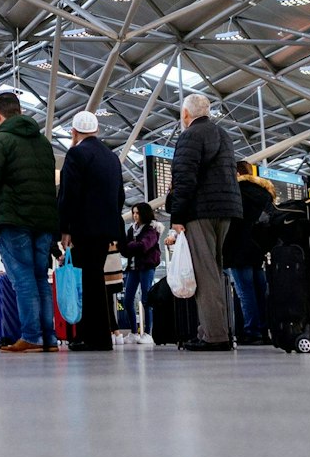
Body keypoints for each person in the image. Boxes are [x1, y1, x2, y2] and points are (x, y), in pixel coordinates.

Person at [0, 92, 58, 353]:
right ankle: (49, 338)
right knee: (39, 278)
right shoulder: (44, 143)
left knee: (23, 279)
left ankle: (31, 337)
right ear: (20, 111)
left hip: (13, 219)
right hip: (44, 221)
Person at [165, 93, 240, 352]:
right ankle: (213, 329)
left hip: (201, 211)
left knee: (205, 273)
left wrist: (177, 216)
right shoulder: (224, 135)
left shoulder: (190, 136)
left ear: (186, 114)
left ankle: (214, 335)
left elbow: (184, 178)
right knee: (215, 270)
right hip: (226, 209)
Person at [56, 111, 122, 352]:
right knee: (96, 279)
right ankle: (101, 336)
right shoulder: (111, 157)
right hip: (106, 229)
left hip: (84, 228)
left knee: (86, 282)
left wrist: (65, 228)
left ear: (74, 132)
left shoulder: (76, 153)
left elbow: (69, 194)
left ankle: (91, 337)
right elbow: (120, 196)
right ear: (97, 130)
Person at [226, 163, 275, 346]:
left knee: (245, 293)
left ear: (237, 173)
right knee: (260, 292)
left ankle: (251, 331)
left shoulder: (235, 192)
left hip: (239, 250)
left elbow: (232, 224)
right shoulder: (264, 192)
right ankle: (264, 330)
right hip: (258, 251)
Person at [118, 203, 161, 344]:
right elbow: (125, 249)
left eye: (137, 213)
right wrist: (130, 247)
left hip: (146, 266)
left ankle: (149, 333)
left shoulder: (151, 229)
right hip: (133, 268)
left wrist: (129, 246)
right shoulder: (131, 229)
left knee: (146, 298)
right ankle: (133, 332)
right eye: (133, 213)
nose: (135, 215)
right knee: (128, 300)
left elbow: (144, 246)